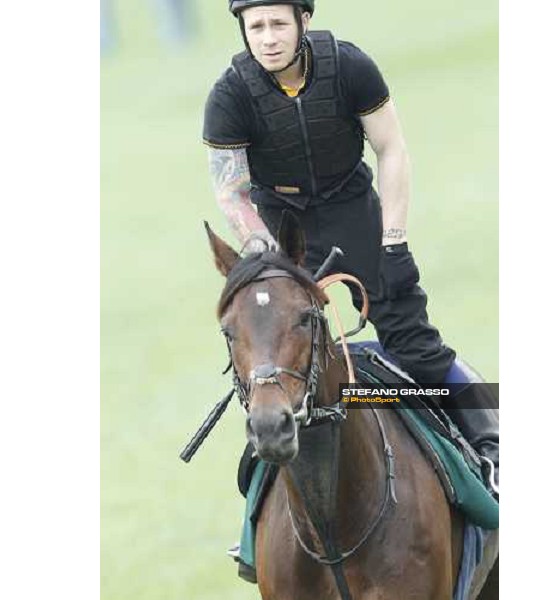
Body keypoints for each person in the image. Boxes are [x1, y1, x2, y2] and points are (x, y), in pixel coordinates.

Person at [202, 0, 498, 486]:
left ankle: (494, 442)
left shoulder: (350, 67)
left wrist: (394, 242)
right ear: (243, 30)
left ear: (304, 22)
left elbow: (391, 149)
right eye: (256, 26)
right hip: (279, 226)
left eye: (278, 23)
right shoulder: (229, 95)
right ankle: (257, 518)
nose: (268, 37)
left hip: (351, 208)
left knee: (414, 344)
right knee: (267, 357)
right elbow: (230, 190)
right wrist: (260, 250)